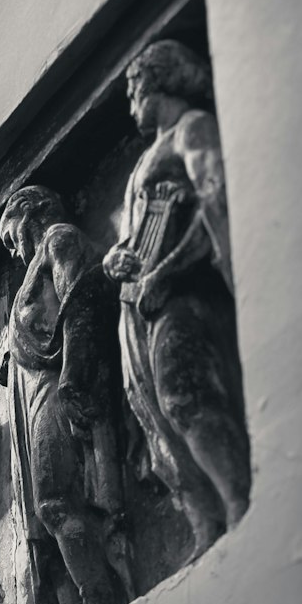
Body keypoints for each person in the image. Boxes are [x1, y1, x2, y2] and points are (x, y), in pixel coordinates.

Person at [103, 39, 250, 559]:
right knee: (157, 420)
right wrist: (116, 259)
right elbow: (134, 234)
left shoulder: (191, 129)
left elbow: (214, 196)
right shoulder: (145, 159)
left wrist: (167, 272)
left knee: (185, 396)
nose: (131, 100)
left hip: (183, 292)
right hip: (140, 304)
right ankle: (204, 521)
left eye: (134, 86)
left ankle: (237, 501)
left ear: (162, 78)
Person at [0, 185, 130, 604]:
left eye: (9, 233)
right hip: (30, 400)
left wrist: (76, 374)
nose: (11, 247)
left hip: (57, 388)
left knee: (57, 500)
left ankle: (99, 598)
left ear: (28, 213)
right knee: (43, 513)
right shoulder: (29, 269)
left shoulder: (59, 238)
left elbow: (79, 300)